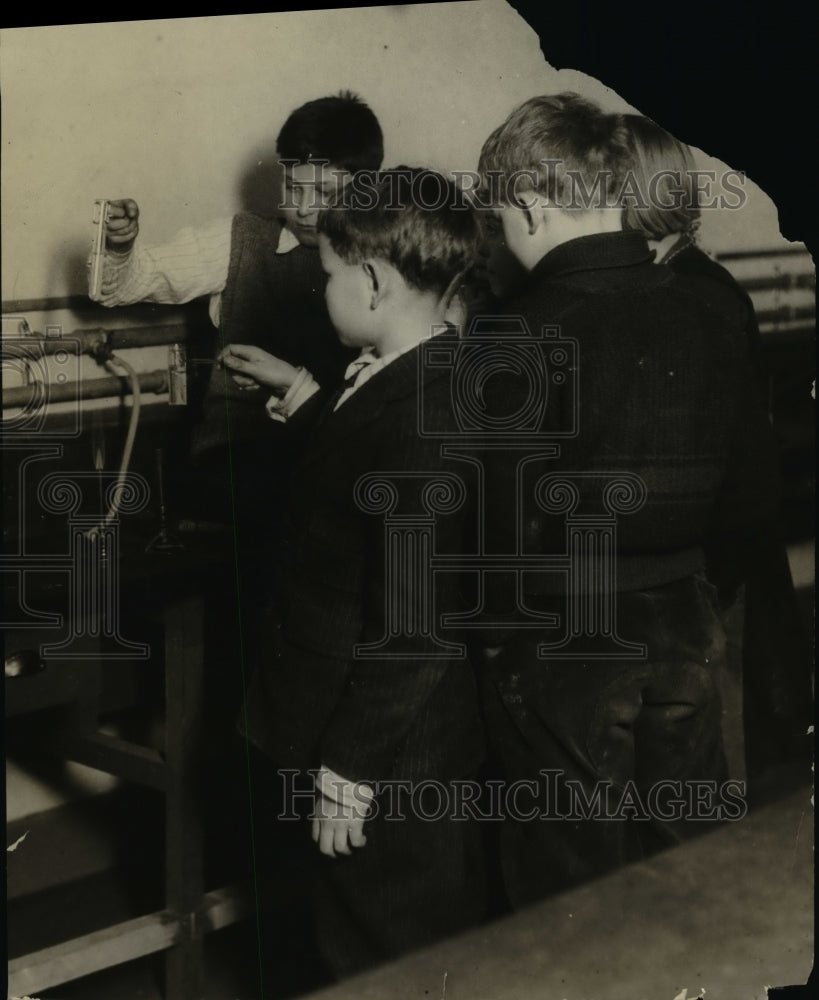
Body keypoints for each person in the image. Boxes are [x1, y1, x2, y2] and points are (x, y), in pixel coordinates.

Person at [471, 92, 766, 909]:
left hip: (565, 631)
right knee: (688, 850)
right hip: (684, 616)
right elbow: (741, 479)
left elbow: (497, 529)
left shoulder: (512, 332)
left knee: (572, 876)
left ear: (528, 208)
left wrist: (497, 647)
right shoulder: (703, 302)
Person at [227, 169, 486, 977]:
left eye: (330, 273)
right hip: (371, 733)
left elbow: (414, 622)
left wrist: (348, 773)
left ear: (371, 281)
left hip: (385, 752)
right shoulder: (410, 375)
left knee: (381, 948)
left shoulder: (422, 414)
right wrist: (309, 405)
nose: (321, 288)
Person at [91, 91, 384, 608]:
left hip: (332, 461)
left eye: (327, 192)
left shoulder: (386, 260)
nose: (306, 209)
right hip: (235, 463)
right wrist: (119, 248)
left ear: (367, 191)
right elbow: (120, 288)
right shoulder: (241, 240)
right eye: (293, 187)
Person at [621, 113, 814, 784]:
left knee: (712, 760)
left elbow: (737, 467)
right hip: (720, 560)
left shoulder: (693, 294)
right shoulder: (681, 283)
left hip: (717, 571)